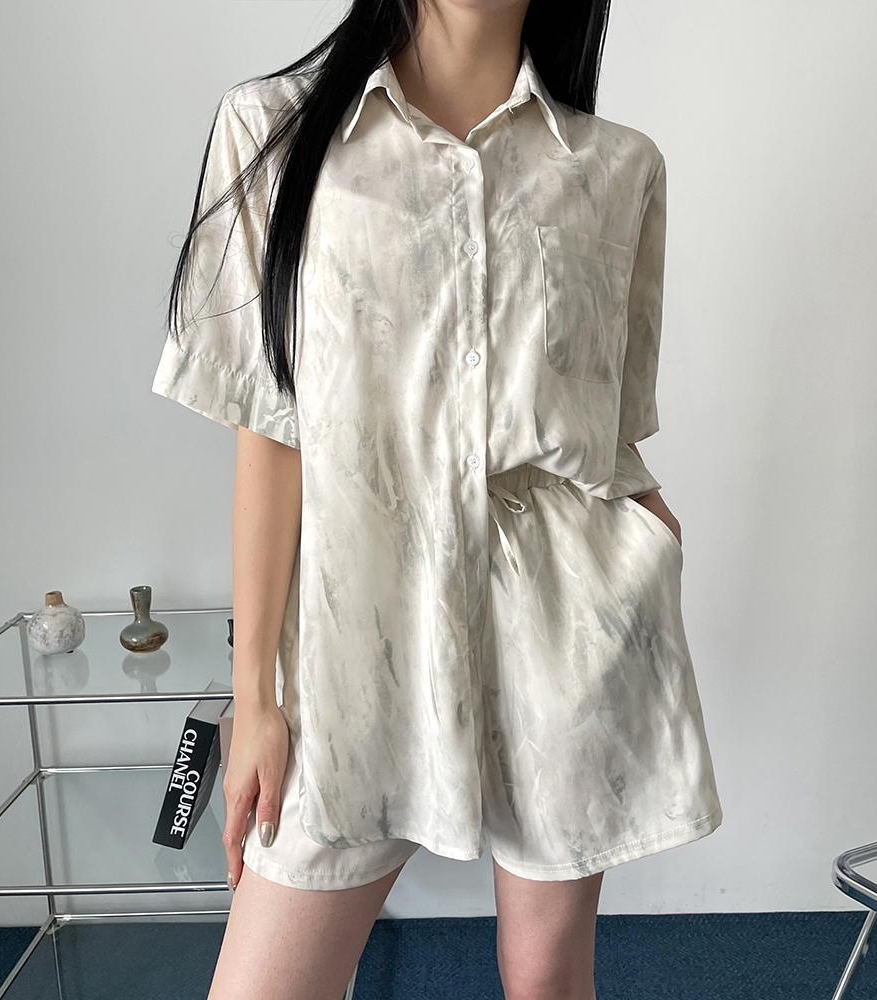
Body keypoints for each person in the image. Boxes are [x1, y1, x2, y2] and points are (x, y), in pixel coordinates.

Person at [151, 1, 723, 997]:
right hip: (354, 640)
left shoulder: (618, 168)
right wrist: (256, 698)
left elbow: (613, 433)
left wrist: (649, 541)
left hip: (562, 631)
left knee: (545, 978)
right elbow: (271, 429)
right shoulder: (273, 132)